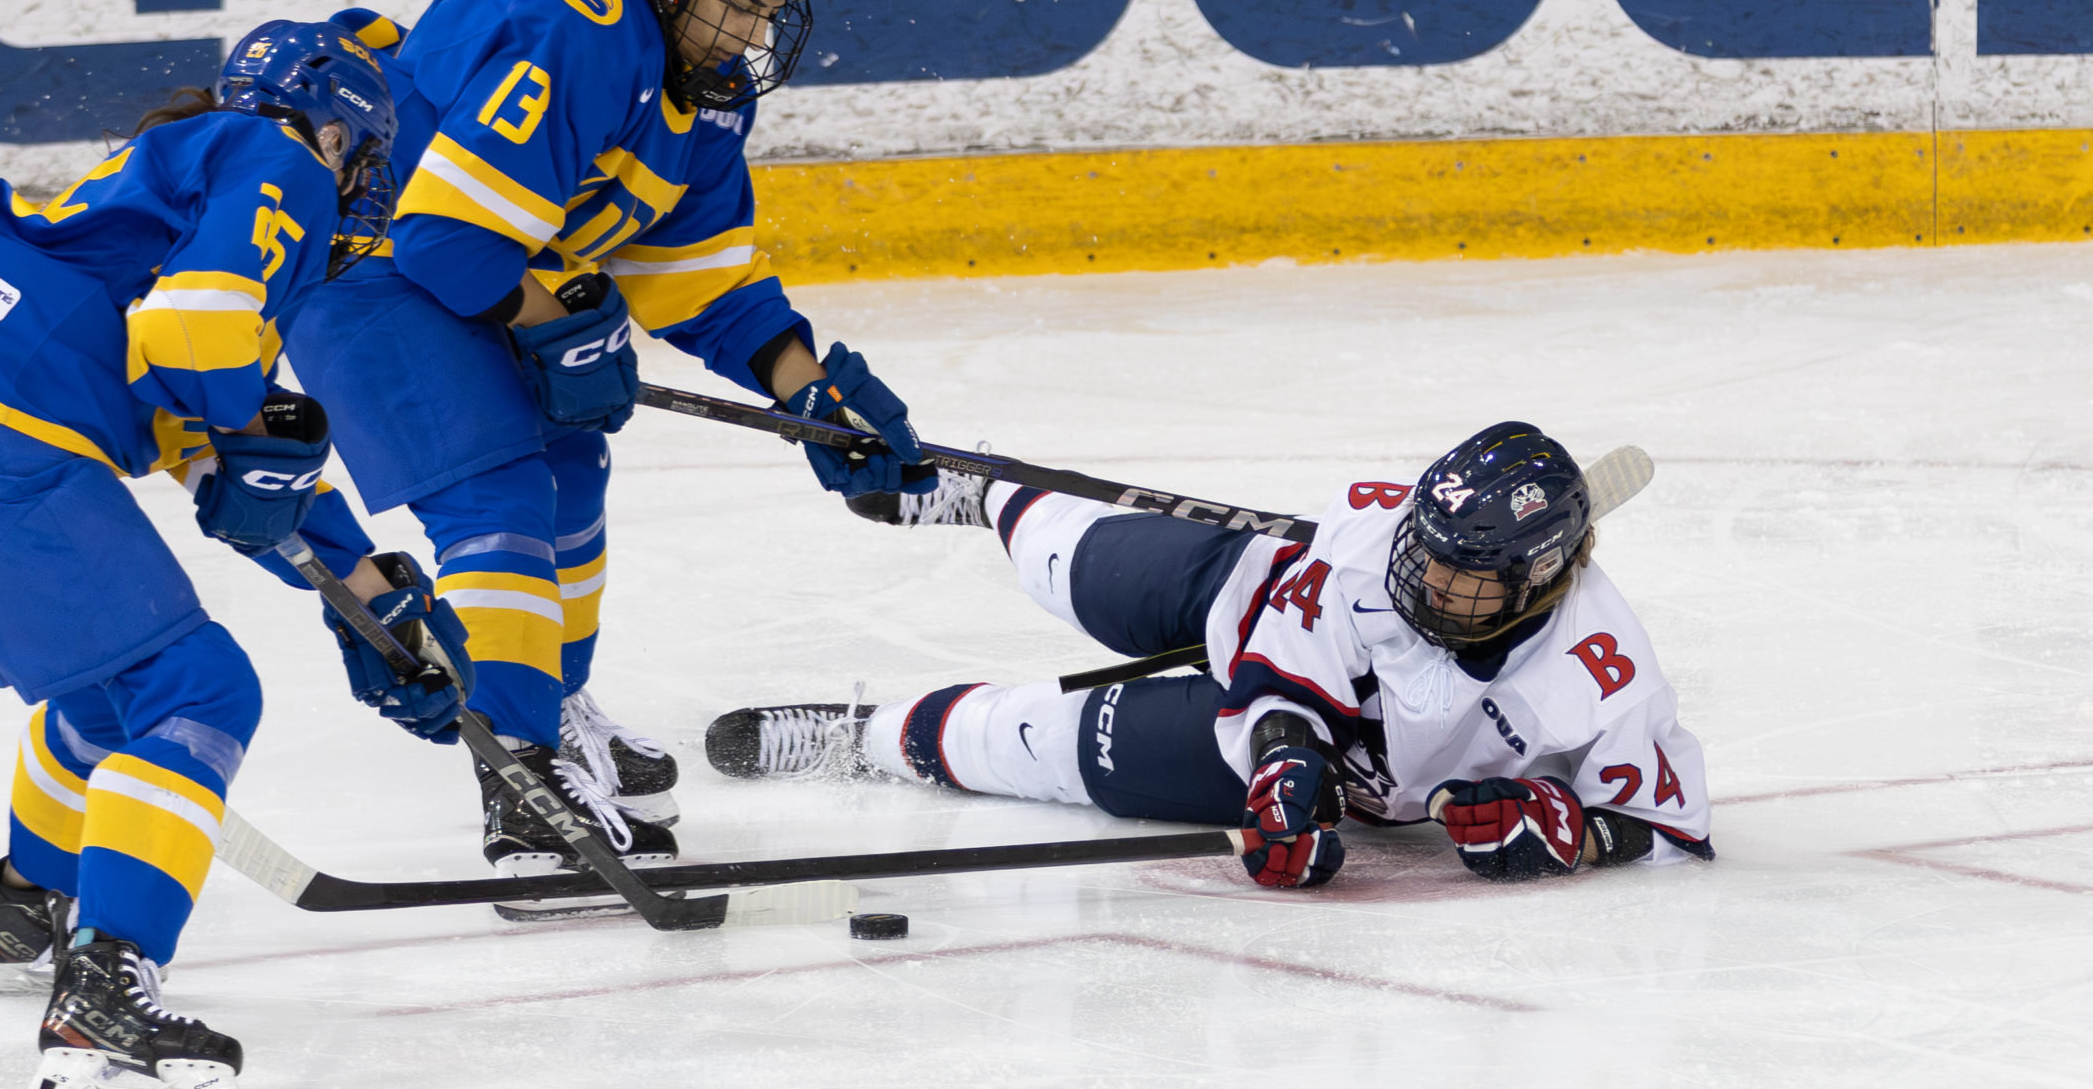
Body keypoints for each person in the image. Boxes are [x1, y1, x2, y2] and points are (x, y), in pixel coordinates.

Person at [282, 0, 934, 905]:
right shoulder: (575, 29)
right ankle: (522, 788)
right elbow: (446, 242)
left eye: (772, 9)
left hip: (480, 276)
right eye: (739, 1)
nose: (756, 33)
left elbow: (696, 284)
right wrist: (557, 326)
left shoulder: (710, 97)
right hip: (368, 273)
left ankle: (545, 704)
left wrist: (809, 391)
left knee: (570, 475)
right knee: (496, 499)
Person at [0, 20, 474, 1089]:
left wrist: (364, 599)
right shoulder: (274, 155)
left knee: (111, 686)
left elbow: (208, 441)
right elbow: (205, 359)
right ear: (334, 131)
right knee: (197, 689)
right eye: (367, 157)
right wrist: (264, 425)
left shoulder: (168, 194)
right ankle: (103, 992)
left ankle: (25, 907)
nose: (368, 186)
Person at [706, 422, 1712, 887]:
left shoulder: (1603, 675)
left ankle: (865, 735)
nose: (1430, 584)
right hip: (1249, 601)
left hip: (1355, 783)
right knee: (1081, 563)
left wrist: (1573, 833)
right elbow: (1290, 651)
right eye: (1428, 555)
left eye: (1464, 578)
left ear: (1537, 579)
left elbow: (1671, 829)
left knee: (1050, 746)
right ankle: (982, 493)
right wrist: (1283, 755)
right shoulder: (1374, 530)